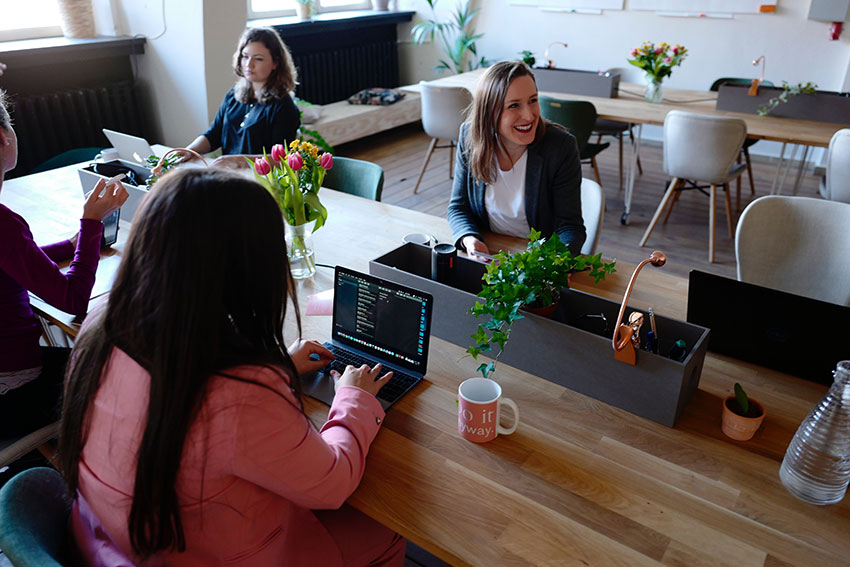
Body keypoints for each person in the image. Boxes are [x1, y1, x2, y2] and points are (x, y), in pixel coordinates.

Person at [58, 168, 406, 566]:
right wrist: (353, 398)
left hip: (108, 538)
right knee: (388, 529)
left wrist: (278, 366)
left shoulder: (103, 322)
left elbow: (190, 404)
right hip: (211, 554)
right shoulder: (239, 392)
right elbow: (332, 484)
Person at [0, 89, 128, 438]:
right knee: (121, 366)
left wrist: (70, 246)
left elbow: (14, 261)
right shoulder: (5, 225)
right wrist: (91, 222)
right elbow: (73, 300)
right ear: (3, 137)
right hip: (15, 394)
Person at [447, 60, 587, 257]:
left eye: (533, 100)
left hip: (539, 261)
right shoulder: (470, 136)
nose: (529, 115)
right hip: (489, 255)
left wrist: (554, 263)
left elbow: (570, 227)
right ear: (489, 113)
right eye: (514, 106)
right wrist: (470, 240)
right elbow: (458, 207)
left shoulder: (560, 146)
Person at [179, 27, 300, 169]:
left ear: (275, 63)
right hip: (229, 175)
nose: (249, 64)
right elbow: (214, 135)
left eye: (258, 59)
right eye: (245, 56)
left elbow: (280, 159)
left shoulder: (284, 107)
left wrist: (238, 160)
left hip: (260, 183)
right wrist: (189, 150)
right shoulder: (233, 95)